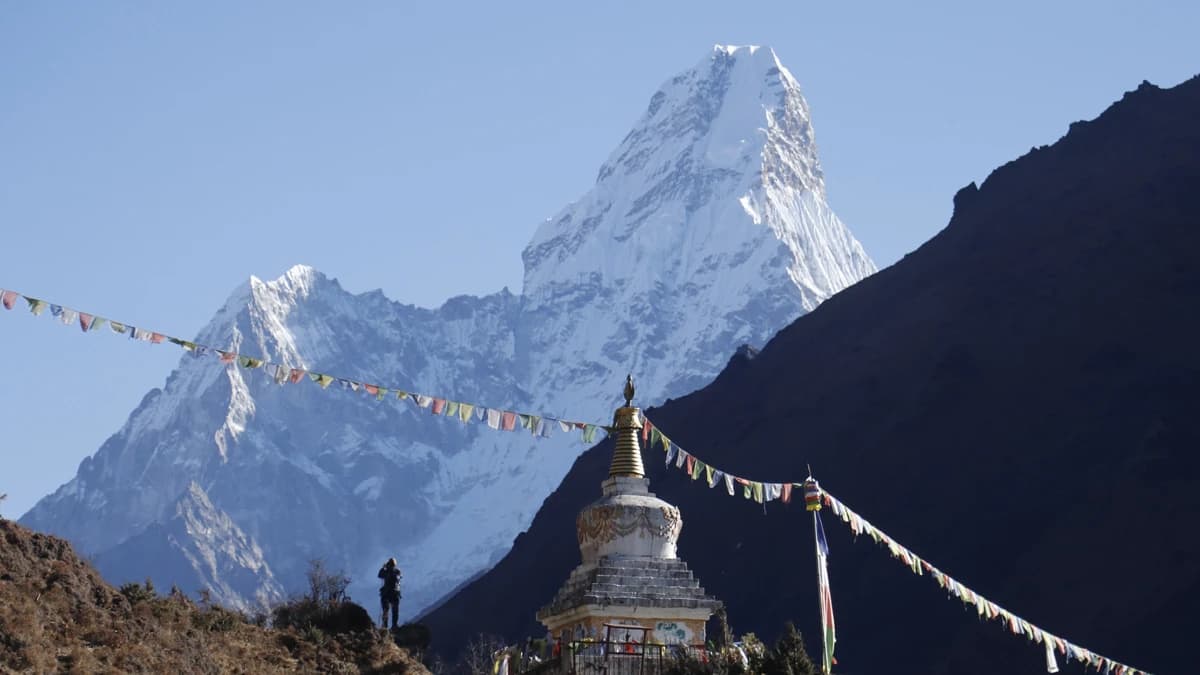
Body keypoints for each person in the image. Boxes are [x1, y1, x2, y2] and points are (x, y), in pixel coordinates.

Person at [377, 557, 402, 629]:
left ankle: (385, 626)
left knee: (385, 610)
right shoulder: (397, 571)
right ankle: (394, 625)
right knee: (395, 610)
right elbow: (399, 578)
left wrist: (383, 567)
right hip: (395, 593)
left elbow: (380, 575)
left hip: (387, 593)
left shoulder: (387, 571)